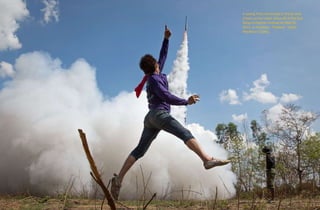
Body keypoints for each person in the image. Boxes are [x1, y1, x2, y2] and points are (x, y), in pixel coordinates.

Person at [110, 25, 230, 200]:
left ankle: (118, 179)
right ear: (156, 67)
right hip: (159, 115)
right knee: (185, 133)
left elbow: (163, 56)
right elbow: (166, 96)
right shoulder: (156, 80)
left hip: (150, 118)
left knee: (140, 150)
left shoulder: (152, 77)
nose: (160, 63)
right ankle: (206, 159)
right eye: (158, 63)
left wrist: (166, 39)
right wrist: (185, 102)